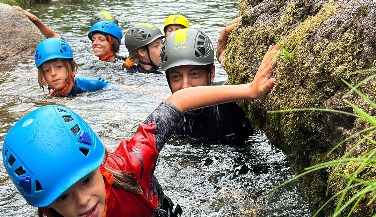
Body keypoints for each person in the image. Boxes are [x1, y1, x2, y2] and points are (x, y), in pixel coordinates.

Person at [2, 44, 279, 217]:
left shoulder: (130, 164)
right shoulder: (49, 210)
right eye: (63, 196)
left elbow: (177, 101)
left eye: (86, 181)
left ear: (101, 166)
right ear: (46, 207)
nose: (83, 202)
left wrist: (250, 91)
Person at [160, 28, 270, 144]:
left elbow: (256, 86)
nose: (185, 86)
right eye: (176, 77)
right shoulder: (168, 120)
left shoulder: (229, 103)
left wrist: (233, 67)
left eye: (194, 74)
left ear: (211, 73)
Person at [13, 6, 122, 63]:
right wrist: (34, 19)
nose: (95, 43)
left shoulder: (124, 65)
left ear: (114, 41)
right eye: (93, 39)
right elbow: (55, 37)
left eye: (101, 39)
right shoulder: (84, 46)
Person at [35, 38, 110, 97]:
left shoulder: (91, 84)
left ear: (71, 66)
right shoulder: (54, 96)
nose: (53, 73)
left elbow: (114, 89)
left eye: (59, 67)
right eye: (47, 70)